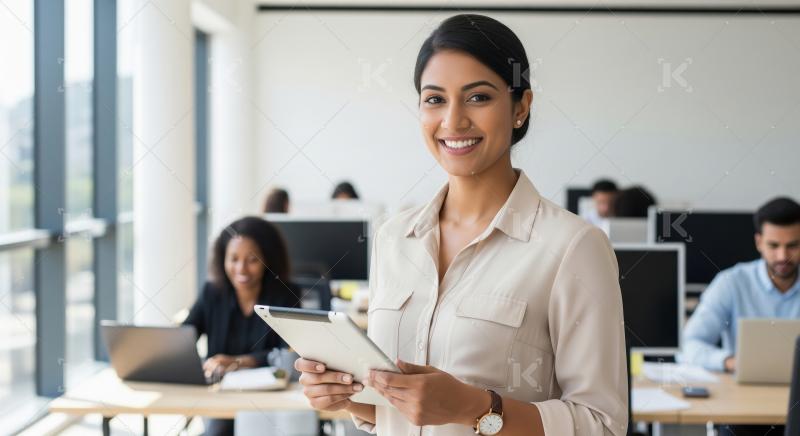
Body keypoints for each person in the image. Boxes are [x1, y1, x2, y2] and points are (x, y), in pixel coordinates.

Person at [295, 14, 627, 436]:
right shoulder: (394, 238)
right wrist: (350, 397)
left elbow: (603, 425)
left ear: (521, 107)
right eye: (435, 99)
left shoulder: (573, 247)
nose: (453, 121)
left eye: (478, 98)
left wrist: (475, 407)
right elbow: (403, 414)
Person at [679, 197, 800, 436]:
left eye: (793, 245)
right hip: (743, 413)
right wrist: (729, 361)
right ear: (759, 242)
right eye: (773, 245)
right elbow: (689, 344)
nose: (782, 256)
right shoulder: (732, 282)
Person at [183, 216, 300, 436]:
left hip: (271, 397)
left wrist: (238, 362)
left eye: (252, 259)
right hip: (222, 397)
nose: (241, 269)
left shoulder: (286, 295)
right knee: (218, 430)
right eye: (233, 259)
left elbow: (289, 353)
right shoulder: (212, 293)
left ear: (268, 260)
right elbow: (184, 338)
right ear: (222, 259)